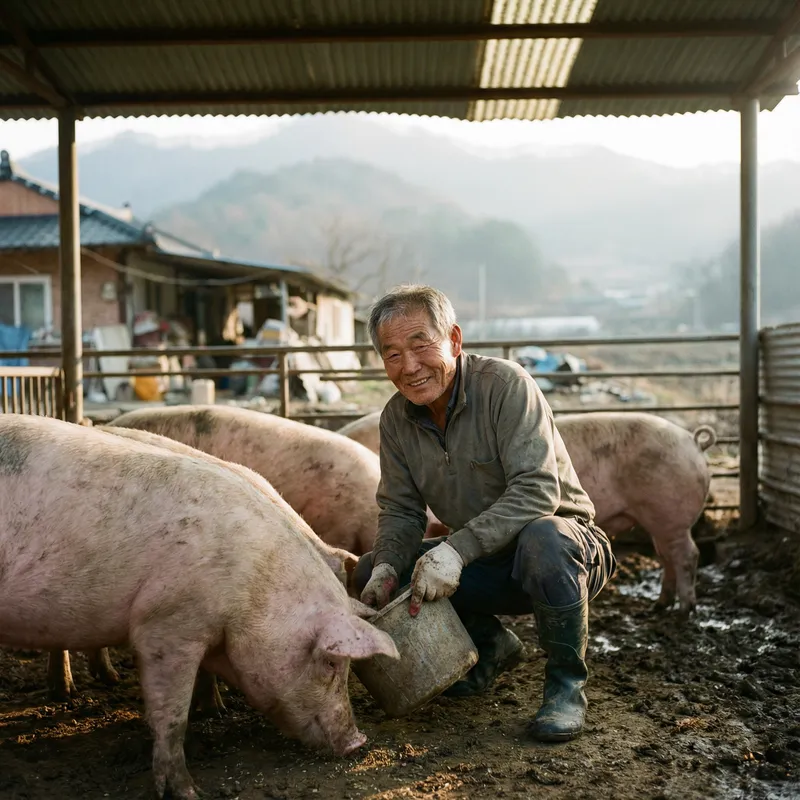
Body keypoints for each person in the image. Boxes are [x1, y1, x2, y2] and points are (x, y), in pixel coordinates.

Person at [354, 284, 617, 742]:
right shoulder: (397, 419)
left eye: (421, 345)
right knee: (368, 568)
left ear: (454, 340)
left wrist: (455, 551)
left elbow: (538, 490)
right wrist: (386, 568)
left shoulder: (505, 385)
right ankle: (491, 647)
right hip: (487, 559)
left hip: (567, 552)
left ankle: (565, 688)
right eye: (392, 353)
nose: (409, 366)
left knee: (544, 536)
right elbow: (400, 510)